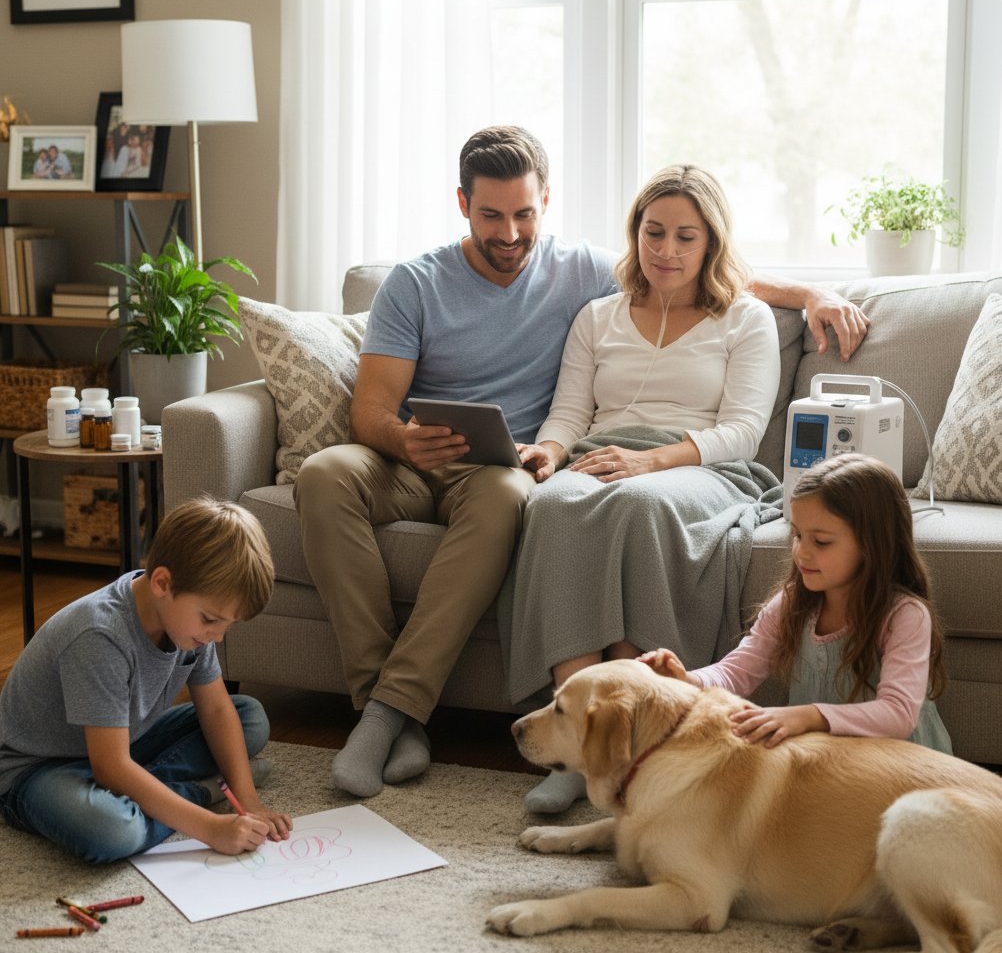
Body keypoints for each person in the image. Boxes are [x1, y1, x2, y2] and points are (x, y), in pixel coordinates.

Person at [294, 125, 870, 800]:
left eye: (524, 214)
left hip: (547, 470)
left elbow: (704, 286)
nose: (509, 232)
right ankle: (389, 711)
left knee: (543, 498)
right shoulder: (444, 289)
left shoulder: (615, 278)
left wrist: (808, 296)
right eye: (490, 215)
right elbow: (381, 412)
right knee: (332, 474)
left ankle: (604, 738)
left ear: (546, 203)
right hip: (431, 455)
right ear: (462, 204)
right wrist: (426, 441)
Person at [509, 163, 783, 813]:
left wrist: (653, 462)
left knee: (636, 504)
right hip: (601, 455)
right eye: (653, 232)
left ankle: (624, 737)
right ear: (634, 234)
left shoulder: (746, 319)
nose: (666, 250)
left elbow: (743, 430)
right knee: (551, 506)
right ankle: (574, 743)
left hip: (704, 468)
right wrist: (547, 455)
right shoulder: (597, 317)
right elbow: (570, 416)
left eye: (686, 237)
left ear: (711, 242)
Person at [0, 497, 293, 864]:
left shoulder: (189, 624)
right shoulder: (99, 635)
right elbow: (110, 767)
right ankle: (198, 793)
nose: (218, 636)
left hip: (123, 743)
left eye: (227, 625)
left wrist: (249, 803)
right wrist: (210, 828)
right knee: (111, 830)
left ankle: (146, 794)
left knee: (249, 717)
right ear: (162, 583)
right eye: (211, 620)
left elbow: (217, 709)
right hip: (38, 769)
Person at [641, 452, 951, 752]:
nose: (801, 553)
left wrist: (808, 716)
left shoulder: (905, 616)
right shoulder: (792, 604)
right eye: (797, 535)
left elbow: (898, 715)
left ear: (873, 543)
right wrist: (688, 679)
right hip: (824, 761)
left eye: (821, 541)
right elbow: (734, 673)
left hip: (902, 770)